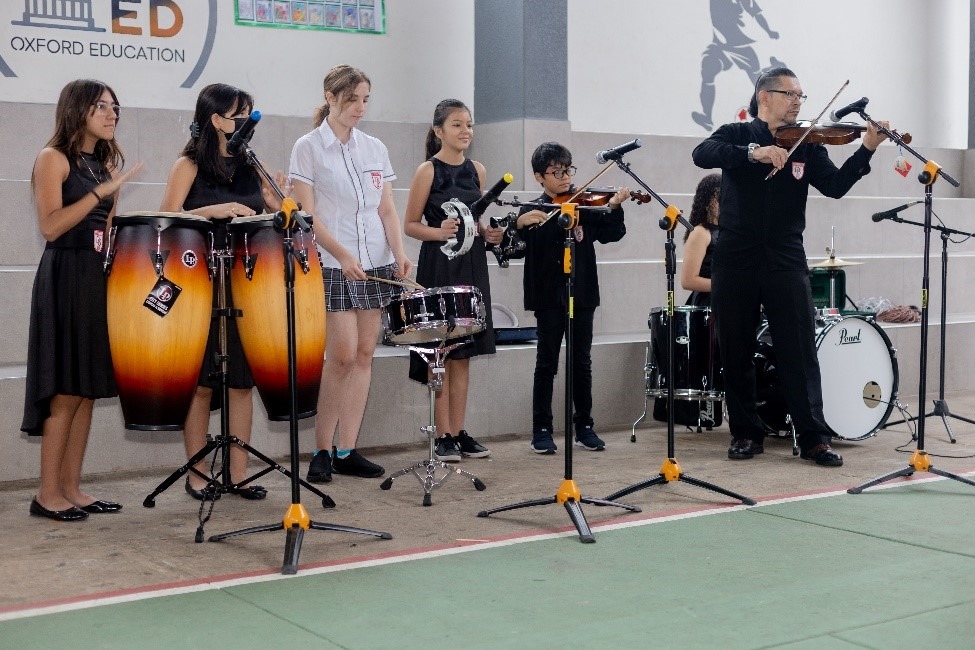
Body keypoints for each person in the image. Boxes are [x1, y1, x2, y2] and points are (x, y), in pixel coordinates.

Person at [691, 67, 889, 466]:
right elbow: (702, 154)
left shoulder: (808, 143)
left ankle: (814, 437)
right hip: (736, 257)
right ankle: (746, 433)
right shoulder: (736, 134)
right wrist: (754, 153)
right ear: (765, 96)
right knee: (736, 348)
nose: (799, 101)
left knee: (799, 349)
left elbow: (835, 186)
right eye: (791, 94)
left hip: (785, 257)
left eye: (801, 96)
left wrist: (867, 148)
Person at [22, 79, 143, 521]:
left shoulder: (103, 166)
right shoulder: (52, 158)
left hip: (96, 279)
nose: (112, 115)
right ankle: (46, 493)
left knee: (86, 390)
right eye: (102, 107)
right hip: (64, 276)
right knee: (65, 391)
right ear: (78, 110)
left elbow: (105, 234)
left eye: (115, 107)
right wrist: (100, 193)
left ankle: (71, 488)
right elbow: (51, 226)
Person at [160, 83, 286, 501]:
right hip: (200, 281)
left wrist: (276, 201)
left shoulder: (251, 163)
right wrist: (210, 211)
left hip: (247, 281)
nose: (247, 123)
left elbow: (277, 214)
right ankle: (197, 474)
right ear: (216, 120)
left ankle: (238, 474)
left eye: (250, 115)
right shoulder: (189, 164)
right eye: (239, 115)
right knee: (201, 383)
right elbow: (165, 219)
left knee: (241, 383)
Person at [290, 65, 413, 481]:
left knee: (364, 355)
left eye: (365, 100)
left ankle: (347, 449)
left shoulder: (374, 147)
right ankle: (321, 450)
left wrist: (399, 254)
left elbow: (387, 209)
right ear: (330, 97)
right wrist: (341, 254)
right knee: (341, 356)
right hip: (333, 263)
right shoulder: (308, 147)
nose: (360, 107)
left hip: (376, 262)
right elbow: (308, 215)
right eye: (352, 99)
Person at [403, 99, 503, 462]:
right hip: (439, 267)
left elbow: (475, 220)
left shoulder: (478, 170)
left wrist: (488, 234)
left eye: (469, 125)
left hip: (472, 266)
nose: (466, 131)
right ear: (439, 130)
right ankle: (441, 433)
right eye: (457, 124)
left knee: (464, 355)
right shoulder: (427, 171)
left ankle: (459, 432)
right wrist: (438, 231)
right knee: (440, 352)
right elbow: (410, 225)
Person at [514, 142, 628, 454]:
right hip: (548, 296)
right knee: (546, 362)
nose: (565, 178)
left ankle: (584, 426)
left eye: (568, 171)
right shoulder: (533, 211)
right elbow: (513, 246)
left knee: (582, 362)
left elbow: (613, 234)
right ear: (539, 177)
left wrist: (615, 207)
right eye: (557, 173)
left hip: (583, 292)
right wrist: (518, 224)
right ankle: (541, 429)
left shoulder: (584, 206)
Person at [680, 173, 722, 306]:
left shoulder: (727, 230)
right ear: (707, 202)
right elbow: (687, 281)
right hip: (707, 305)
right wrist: (727, 286)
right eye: (719, 198)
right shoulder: (700, 232)